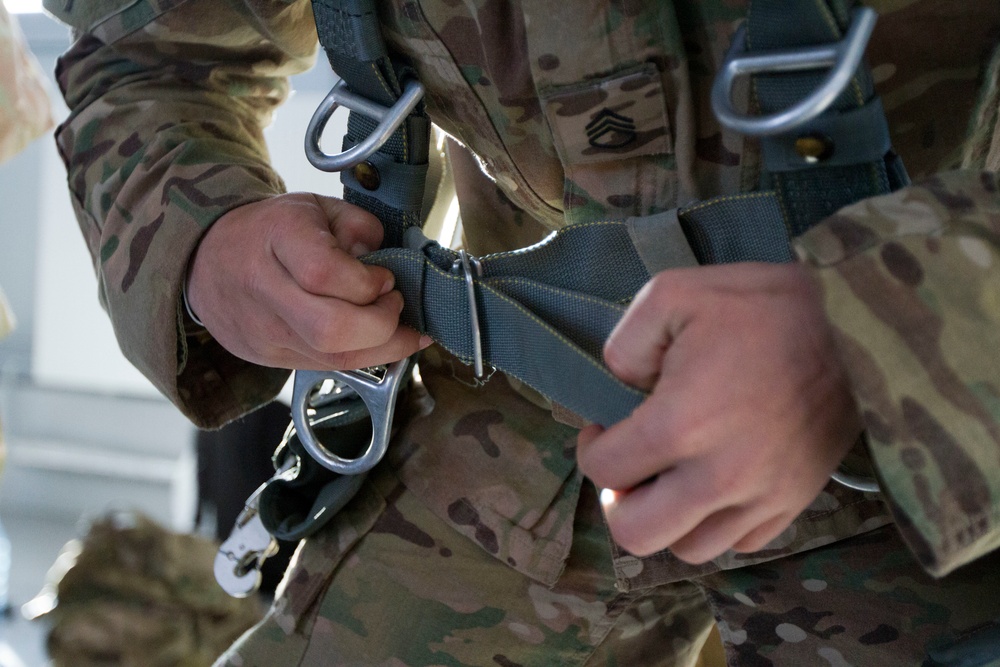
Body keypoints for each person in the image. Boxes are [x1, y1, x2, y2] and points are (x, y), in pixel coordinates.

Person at [44, 0, 1000, 664]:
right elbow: (147, 61)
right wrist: (207, 243)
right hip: (500, 438)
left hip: (940, 451)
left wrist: (872, 330)